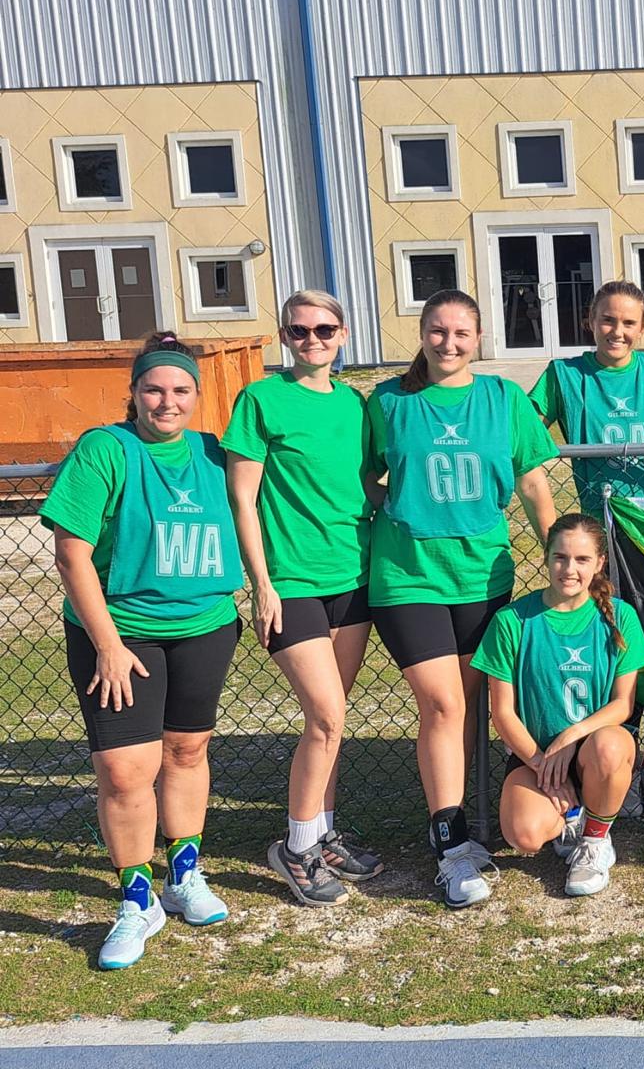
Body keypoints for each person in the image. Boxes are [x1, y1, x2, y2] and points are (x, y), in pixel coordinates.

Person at [42, 332, 243, 969]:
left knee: (187, 749)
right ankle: (137, 898)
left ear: (197, 396)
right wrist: (106, 643)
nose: (167, 401)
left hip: (205, 623)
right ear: (133, 393)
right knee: (126, 772)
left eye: (181, 389)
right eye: (154, 388)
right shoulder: (107, 448)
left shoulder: (216, 453)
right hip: (122, 631)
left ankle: (183, 876)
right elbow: (71, 551)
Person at [365, 289, 558, 907]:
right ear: (421, 333)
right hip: (408, 577)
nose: (449, 343)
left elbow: (533, 484)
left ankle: (483, 819)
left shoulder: (503, 400)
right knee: (444, 704)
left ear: (480, 339)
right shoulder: (390, 401)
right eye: (438, 331)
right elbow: (367, 472)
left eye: (462, 334)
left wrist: (563, 562)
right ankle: (450, 845)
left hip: (484, 576)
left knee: (473, 705)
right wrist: (389, 512)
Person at [224, 290, 384, 907]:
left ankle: (321, 833)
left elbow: (368, 482)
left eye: (323, 329)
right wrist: (260, 584)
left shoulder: (354, 403)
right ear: (285, 337)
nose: (311, 340)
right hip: (292, 584)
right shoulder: (261, 400)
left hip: (353, 577)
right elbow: (244, 498)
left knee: (333, 720)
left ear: (342, 335)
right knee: (326, 716)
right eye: (299, 330)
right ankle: (294, 848)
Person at [528, 281, 644, 819]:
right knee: (614, 645)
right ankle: (610, 759)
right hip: (603, 538)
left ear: (643, 329)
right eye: (607, 320)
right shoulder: (565, 376)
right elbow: (522, 435)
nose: (617, 331)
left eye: (628, 323)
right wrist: (555, 526)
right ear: (590, 322)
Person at [476, 514, 644, 898]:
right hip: (534, 754)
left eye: (582, 560)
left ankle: (595, 840)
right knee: (524, 835)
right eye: (560, 558)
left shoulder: (620, 617)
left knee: (612, 743)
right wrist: (543, 764)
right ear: (545, 557)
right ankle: (571, 817)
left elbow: (623, 705)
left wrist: (571, 736)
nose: (569, 569)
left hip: (592, 748)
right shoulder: (512, 621)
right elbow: (502, 715)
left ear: (600, 563)